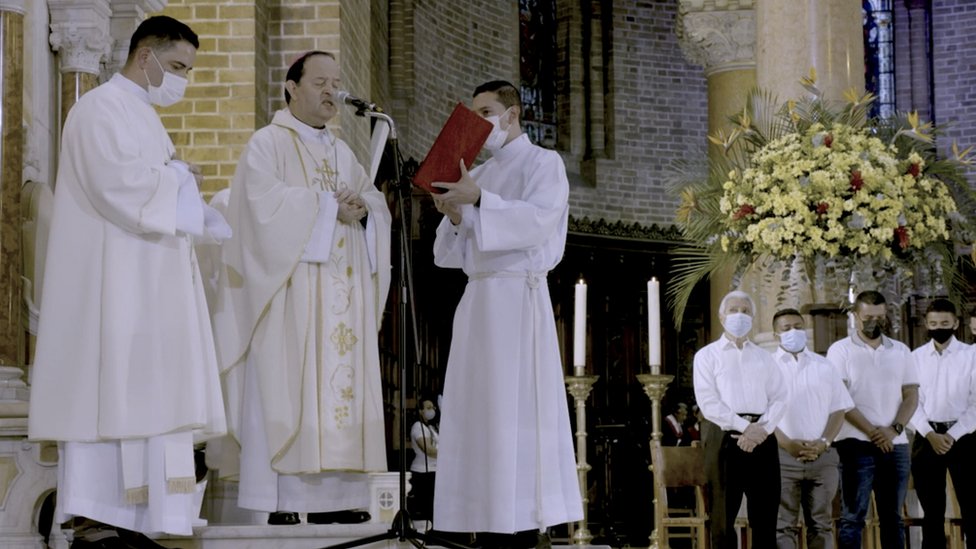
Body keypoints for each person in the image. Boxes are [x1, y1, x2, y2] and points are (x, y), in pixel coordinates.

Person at [27, 15, 229, 548]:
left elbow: (152, 189)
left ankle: (139, 519)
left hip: (144, 288)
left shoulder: (142, 115)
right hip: (112, 287)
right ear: (145, 57)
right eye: (178, 66)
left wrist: (180, 183)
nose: (182, 79)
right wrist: (178, 178)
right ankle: (96, 518)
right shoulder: (98, 108)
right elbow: (117, 185)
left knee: (145, 394)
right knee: (109, 393)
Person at [213, 50, 392, 526]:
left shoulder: (342, 152)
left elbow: (373, 202)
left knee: (341, 392)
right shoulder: (267, 144)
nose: (332, 91)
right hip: (292, 295)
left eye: (335, 82)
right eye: (320, 82)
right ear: (291, 87)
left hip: (342, 295)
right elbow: (258, 209)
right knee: (288, 387)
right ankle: (284, 499)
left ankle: (339, 498)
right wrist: (326, 206)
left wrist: (366, 209)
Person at [429, 80, 583, 548]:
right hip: (478, 300)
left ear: (512, 114)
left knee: (514, 413)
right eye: (474, 113)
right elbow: (444, 255)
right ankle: (476, 513)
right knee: (476, 412)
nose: (479, 122)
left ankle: (519, 519)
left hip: (518, 300)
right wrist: (455, 214)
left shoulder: (543, 163)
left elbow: (537, 222)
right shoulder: (477, 172)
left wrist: (478, 200)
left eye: (487, 111)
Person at [693, 290, 787, 549]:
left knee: (766, 516)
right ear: (721, 316)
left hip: (763, 438)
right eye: (733, 310)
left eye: (745, 311)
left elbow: (780, 397)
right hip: (724, 437)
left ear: (753, 318)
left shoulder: (764, 357)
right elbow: (708, 402)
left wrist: (762, 430)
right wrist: (746, 428)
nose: (739, 315)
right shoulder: (707, 356)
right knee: (723, 517)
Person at [826, 290, 918, 549]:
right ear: (856, 316)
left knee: (893, 517)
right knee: (853, 517)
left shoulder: (900, 350)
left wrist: (893, 430)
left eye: (879, 317)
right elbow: (841, 398)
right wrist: (873, 432)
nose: (873, 322)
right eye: (867, 317)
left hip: (895, 445)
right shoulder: (840, 350)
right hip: (855, 443)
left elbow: (911, 395)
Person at [771, 308, 853, 549]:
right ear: (776, 334)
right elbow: (762, 414)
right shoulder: (767, 366)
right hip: (781, 456)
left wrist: (824, 442)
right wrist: (787, 443)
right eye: (786, 328)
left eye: (798, 327)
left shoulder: (824, 365)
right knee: (783, 525)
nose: (793, 332)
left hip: (822, 456)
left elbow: (839, 409)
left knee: (822, 524)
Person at [908, 298, 976, 548]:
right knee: (932, 511)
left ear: (956, 323)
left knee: (972, 506)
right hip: (927, 438)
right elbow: (911, 401)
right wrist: (930, 434)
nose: (939, 328)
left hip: (965, 437)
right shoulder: (915, 358)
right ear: (926, 324)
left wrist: (952, 435)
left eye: (945, 323)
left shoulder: (972, 355)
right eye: (934, 323)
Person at [409, 397, 440, 521]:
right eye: (428, 408)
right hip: (423, 473)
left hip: (433, 470)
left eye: (433, 407)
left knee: (434, 508)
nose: (432, 410)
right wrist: (447, 454)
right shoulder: (418, 427)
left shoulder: (430, 427)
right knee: (427, 508)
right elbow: (428, 450)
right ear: (420, 411)